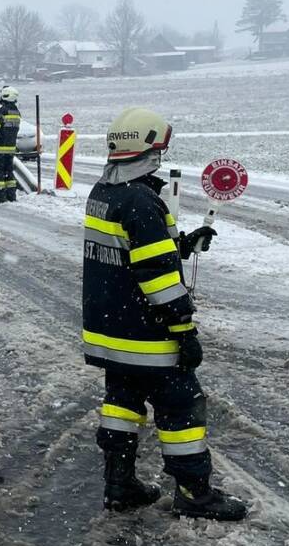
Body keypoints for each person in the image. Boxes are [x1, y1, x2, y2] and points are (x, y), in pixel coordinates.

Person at [82, 107, 245, 521]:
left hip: (112, 335)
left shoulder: (105, 193)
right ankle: (194, 493)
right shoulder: (141, 201)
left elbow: (132, 255)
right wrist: (184, 329)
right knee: (182, 410)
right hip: (149, 336)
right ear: (150, 148)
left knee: (122, 403)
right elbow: (155, 277)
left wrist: (183, 245)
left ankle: (120, 486)